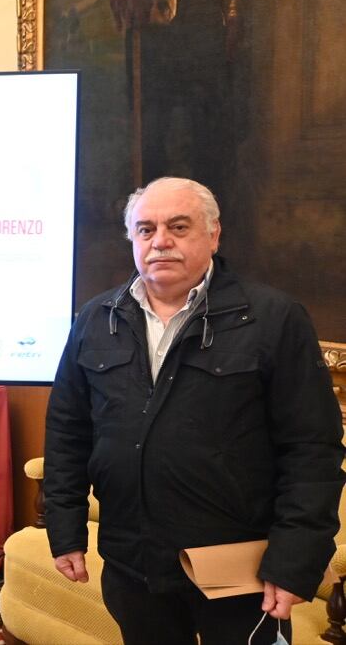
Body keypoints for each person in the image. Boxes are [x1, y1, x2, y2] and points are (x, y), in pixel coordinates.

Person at [43, 176, 343, 643]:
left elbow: (312, 450)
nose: (160, 241)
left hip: (242, 570)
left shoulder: (273, 318)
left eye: (178, 227)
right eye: (145, 230)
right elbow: (68, 432)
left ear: (213, 234)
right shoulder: (96, 318)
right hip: (132, 565)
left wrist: (295, 560)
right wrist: (66, 530)